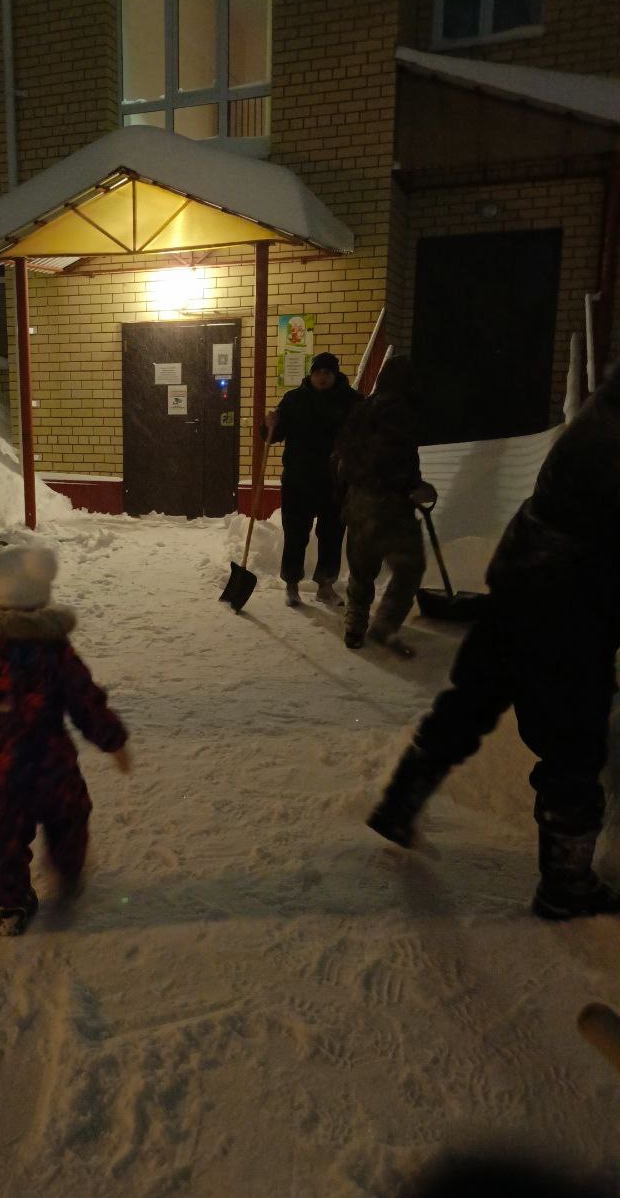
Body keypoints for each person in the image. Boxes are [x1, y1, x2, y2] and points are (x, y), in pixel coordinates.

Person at [367, 360, 620, 921]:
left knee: (472, 699)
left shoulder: (604, 412)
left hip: (524, 571)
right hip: (576, 595)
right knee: (575, 742)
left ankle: (400, 801)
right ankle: (566, 882)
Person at [0, 542, 131, 936]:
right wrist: (113, 739)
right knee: (69, 814)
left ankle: (11, 903)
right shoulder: (54, 652)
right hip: (49, 761)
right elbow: (84, 699)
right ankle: (67, 871)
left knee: (5, 831)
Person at [334, 354, 436, 656]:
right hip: (390, 503)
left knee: (362, 569)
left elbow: (340, 455)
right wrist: (413, 487)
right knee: (410, 566)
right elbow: (393, 456)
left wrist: (346, 494)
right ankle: (385, 623)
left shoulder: (362, 409)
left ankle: (354, 627)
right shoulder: (398, 411)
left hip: (358, 502)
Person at [262, 350, 361, 608]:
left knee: (332, 535)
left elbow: (364, 435)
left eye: (327, 372)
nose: (322, 377)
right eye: (317, 372)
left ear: (335, 374)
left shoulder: (351, 402)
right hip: (299, 480)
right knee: (295, 533)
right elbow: (273, 435)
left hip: (336, 481)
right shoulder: (294, 399)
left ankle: (325, 586)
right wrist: (269, 424)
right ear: (311, 373)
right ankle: (292, 584)